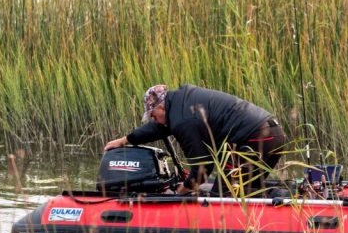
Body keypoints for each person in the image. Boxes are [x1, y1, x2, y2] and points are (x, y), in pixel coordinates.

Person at [104, 83, 286, 196]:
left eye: (152, 114)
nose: (153, 119)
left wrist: (181, 191)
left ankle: (281, 196)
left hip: (253, 138)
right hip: (273, 134)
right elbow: (158, 128)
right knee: (246, 190)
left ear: (161, 107)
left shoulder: (183, 120)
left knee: (223, 193)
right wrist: (125, 140)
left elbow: (202, 169)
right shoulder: (180, 104)